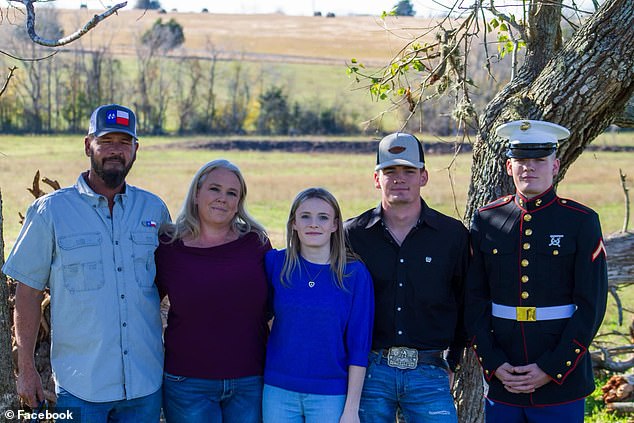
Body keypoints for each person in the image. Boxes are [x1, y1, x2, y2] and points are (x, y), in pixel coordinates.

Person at [2, 104, 170, 421]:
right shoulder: (49, 212)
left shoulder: (154, 210)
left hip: (145, 385)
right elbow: (27, 292)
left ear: (136, 149)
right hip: (81, 387)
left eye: (124, 142)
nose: (115, 151)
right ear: (87, 145)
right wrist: (26, 368)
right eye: (106, 141)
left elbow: (168, 282)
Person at [465, 120, 608, 423]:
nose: (529, 168)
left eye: (539, 160)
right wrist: (493, 362)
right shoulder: (487, 220)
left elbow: (591, 306)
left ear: (555, 166)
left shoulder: (580, 221)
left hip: (561, 380)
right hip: (504, 377)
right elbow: (474, 299)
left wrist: (552, 367)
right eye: (521, 160)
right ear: (508, 167)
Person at [345, 132, 469, 422]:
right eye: (390, 171)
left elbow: (467, 301)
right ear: (377, 179)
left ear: (423, 177)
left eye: (408, 171)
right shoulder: (353, 235)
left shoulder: (452, 236)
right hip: (370, 371)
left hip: (430, 372)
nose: (399, 178)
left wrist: (452, 361)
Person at [155, 159, 271, 423]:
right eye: (214, 189)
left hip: (250, 380)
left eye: (232, 193)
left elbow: (276, 308)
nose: (223, 199)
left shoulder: (256, 243)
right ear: (197, 193)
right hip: (188, 383)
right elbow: (144, 304)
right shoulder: (169, 247)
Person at [263, 187, 374, 423]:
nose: (314, 224)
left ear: (335, 225)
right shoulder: (275, 264)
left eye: (323, 217)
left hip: (330, 394)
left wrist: (351, 409)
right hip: (278, 390)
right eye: (305, 216)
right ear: (293, 223)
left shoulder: (353, 275)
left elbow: (359, 345)